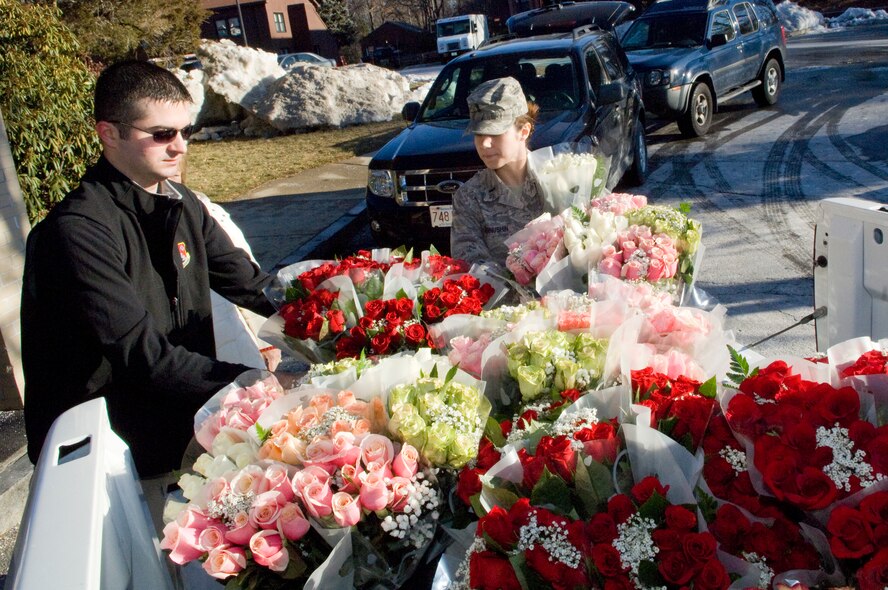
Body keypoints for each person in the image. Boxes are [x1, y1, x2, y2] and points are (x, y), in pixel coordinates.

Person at [20, 60, 278, 487]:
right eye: (161, 135)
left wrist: (332, 312)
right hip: (116, 457)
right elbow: (142, 354)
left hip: (181, 430)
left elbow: (249, 284)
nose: (180, 146)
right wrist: (254, 382)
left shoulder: (182, 203)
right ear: (110, 133)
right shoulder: (77, 231)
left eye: (186, 131)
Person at [450, 76, 544, 268]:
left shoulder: (560, 177)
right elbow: (470, 262)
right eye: (479, 134)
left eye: (494, 133)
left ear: (524, 131)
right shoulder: (469, 197)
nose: (484, 144)